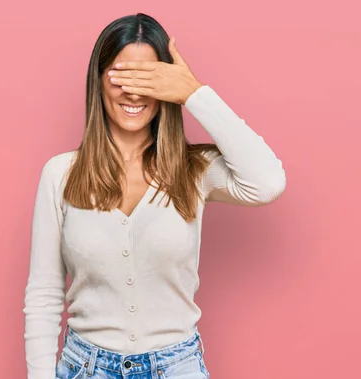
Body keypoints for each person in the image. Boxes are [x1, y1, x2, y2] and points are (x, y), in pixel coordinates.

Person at [23, 13, 286, 379]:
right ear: (98, 81)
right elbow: (44, 294)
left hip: (178, 368)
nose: (133, 91)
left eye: (148, 78)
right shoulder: (60, 174)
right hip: (84, 368)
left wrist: (194, 93)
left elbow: (268, 182)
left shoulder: (194, 170)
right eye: (121, 75)